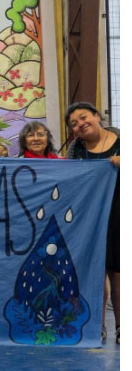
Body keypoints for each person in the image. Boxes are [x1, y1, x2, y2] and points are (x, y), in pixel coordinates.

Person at [65, 102, 120, 344]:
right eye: (74, 123)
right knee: (95, 272)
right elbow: (69, 180)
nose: (80, 124)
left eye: (83, 117)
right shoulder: (75, 149)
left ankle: (122, 326)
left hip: (119, 213)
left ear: (97, 116)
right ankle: (97, 327)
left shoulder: (121, 140)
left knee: (118, 273)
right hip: (89, 215)